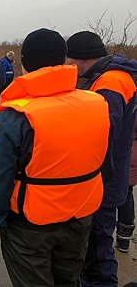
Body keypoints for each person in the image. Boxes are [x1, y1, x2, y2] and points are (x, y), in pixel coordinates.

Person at [0, 28, 111, 287]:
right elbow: (105, 162)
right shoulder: (97, 103)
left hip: (30, 228)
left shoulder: (14, 116)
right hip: (80, 218)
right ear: (64, 61)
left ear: (24, 64)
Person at [65, 30, 137, 287]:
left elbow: (103, 134)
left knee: (97, 253)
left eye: (68, 61)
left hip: (102, 183)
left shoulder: (110, 83)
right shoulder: (114, 76)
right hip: (110, 177)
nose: (66, 67)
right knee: (98, 247)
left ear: (80, 59)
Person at [116, 120, 137, 253]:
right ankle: (124, 238)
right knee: (126, 195)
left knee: (109, 195)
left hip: (123, 152)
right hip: (131, 153)